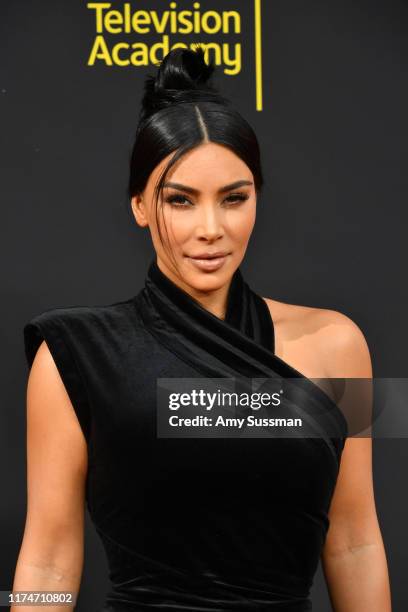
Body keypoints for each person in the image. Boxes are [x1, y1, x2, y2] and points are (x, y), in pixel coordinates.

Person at [13, 46, 391, 611]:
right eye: (181, 201)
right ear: (140, 205)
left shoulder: (338, 345)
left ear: (257, 201)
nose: (210, 228)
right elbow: (47, 557)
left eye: (233, 199)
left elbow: (356, 541)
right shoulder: (74, 356)